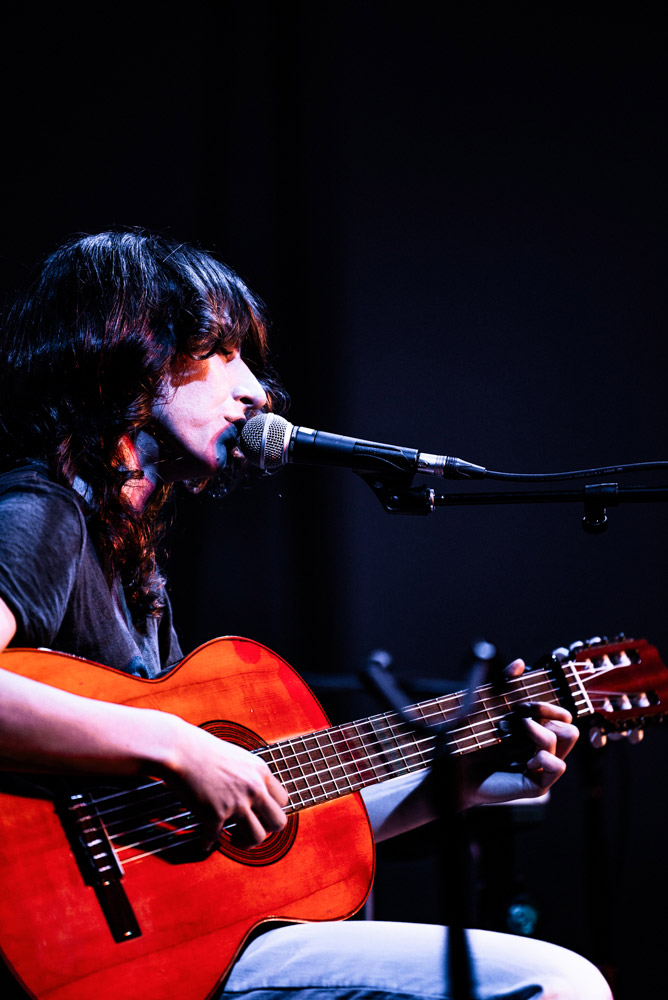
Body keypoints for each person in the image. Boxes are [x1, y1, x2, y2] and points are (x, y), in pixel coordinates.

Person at [0, 229, 612, 1000]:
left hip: (169, 952)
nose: (257, 389)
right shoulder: (39, 513)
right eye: (221, 350)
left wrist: (459, 780)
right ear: (126, 352)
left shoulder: (135, 566)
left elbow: (271, 840)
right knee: (552, 984)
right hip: (66, 950)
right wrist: (176, 744)